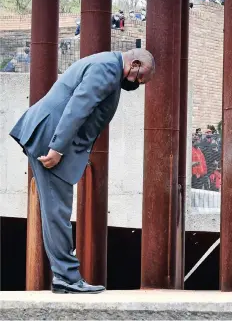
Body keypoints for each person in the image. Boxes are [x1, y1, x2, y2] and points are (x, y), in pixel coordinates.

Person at [9, 48, 156, 294]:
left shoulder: (105, 63)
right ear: (136, 63)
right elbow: (78, 108)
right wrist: (57, 147)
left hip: (48, 136)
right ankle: (66, 278)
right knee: (57, 213)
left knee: (54, 213)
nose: (137, 84)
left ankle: (64, 276)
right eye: (140, 78)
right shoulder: (107, 70)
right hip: (52, 142)